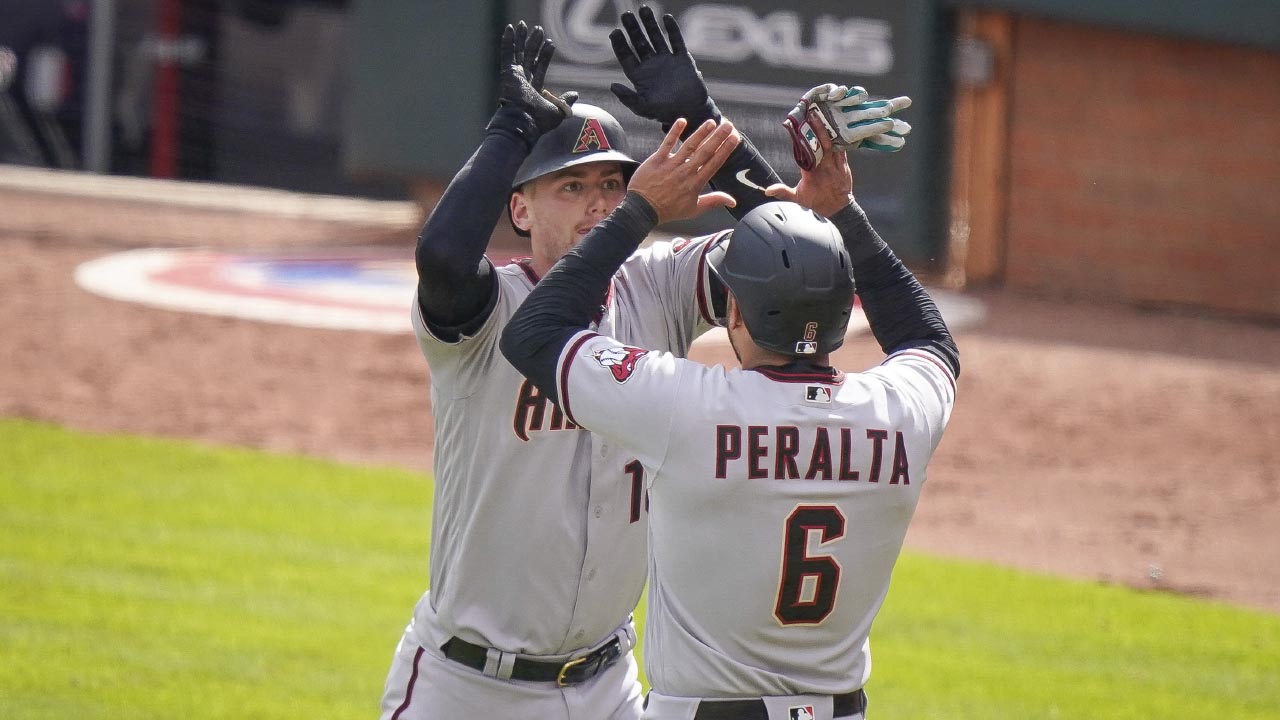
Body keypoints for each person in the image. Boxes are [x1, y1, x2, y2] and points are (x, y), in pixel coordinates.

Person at [500, 108, 959, 719]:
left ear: (734, 314)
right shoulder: (900, 411)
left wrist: (636, 211)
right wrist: (842, 213)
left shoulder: (686, 408)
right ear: (846, 315)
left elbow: (533, 332)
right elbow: (929, 340)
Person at [378, 19, 747, 720]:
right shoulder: (487, 316)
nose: (600, 203)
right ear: (518, 207)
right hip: (466, 689)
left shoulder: (659, 288)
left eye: (612, 183)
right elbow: (444, 259)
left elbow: (785, 248)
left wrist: (707, 123)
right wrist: (511, 129)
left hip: (608, 686)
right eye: (570, 188)